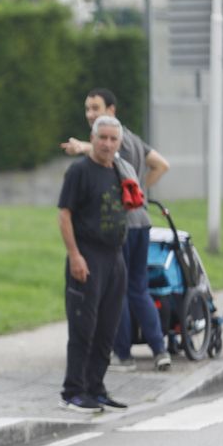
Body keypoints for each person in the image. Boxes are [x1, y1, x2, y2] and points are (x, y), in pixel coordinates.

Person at [62, 87, 171, 372]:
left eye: (95, 108)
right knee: (139, 289)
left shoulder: (110, 140)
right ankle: (160, 349)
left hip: (120, 226)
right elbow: (161, 165)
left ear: (111, 111)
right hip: (142, 222)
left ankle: (123, 355)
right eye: (87, 109)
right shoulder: (134, 138)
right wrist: (140, 191)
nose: (90, 114)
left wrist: (82, 148)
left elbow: (103, 153)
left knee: (118, 293)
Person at [57, 115, 131, 415]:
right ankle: (73, 391)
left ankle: (96, 388)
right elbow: (65, 215)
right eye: (103, 138)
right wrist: (75, 255)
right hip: (87, 256)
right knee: (83, 327)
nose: (108, 144)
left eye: (114, 139)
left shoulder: (119, 170)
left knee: (107, 327)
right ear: (93, 137)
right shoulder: (79, 171)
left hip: (115, 257)